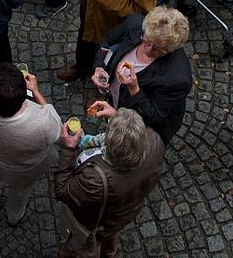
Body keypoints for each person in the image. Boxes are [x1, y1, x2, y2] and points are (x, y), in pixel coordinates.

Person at [53, 107, 165, 257]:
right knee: (112, 236)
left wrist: (68, 148)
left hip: (97, 223)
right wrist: (122, 120)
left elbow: (62, 190)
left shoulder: (96, 181)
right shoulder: (156, 142)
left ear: (109, 146)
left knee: (82, 249)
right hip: (123, 213)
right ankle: (109, 252)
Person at [0, 64, 61, 226]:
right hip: (22, 171)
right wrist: (36, 91)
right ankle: (13, 217)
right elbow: (56, 125)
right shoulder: (43, 123)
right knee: (19, 193)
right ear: (23, 99)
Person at [87, 7, 192, 145]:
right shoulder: (135, 22)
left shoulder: (178, 79)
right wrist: (99, 66)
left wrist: (134, 88)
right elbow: (108, 39)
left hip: (139, 127)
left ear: (170, 50)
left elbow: (154, 118)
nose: (148, 49)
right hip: (116, 98)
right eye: (146, 41)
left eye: (158, 49)